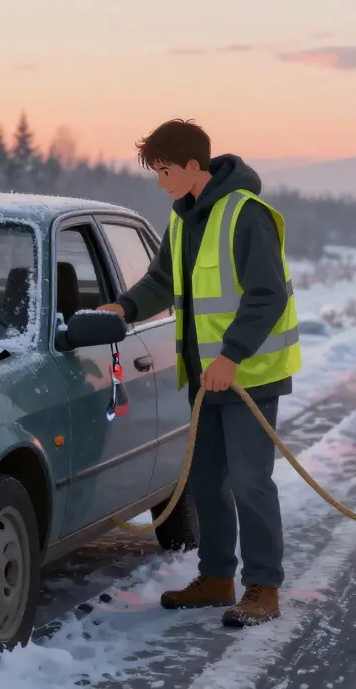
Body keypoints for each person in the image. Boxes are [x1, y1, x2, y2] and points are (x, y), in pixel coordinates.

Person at [97, 118, 302, 628]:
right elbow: (161, 281)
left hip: (249, 374)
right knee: (207, 482)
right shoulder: (182, 219)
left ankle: (263, 587)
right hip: (204, 379)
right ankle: (216, 577)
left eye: (164, 171)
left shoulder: (246, 215)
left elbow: (267, 296)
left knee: (251, 482)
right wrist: (124, 308)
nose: (159, 181)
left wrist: (231, 355)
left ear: (194, 166)